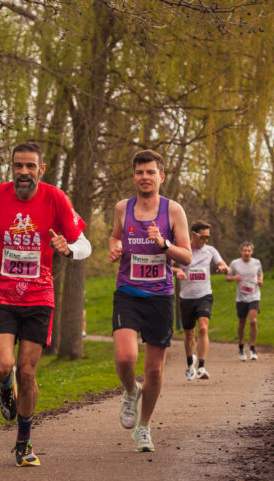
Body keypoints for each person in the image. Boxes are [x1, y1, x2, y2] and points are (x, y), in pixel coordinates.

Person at [0, 141, 91, 467]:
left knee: (28, 371)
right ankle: (6, 386)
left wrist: (68, 248)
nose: (24, 172)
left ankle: (24, 442)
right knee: (1, 366)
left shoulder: (55, 198)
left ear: (41, 169)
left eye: (30, 166)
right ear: (11, 167)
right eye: (18, 166)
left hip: (39, 298)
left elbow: (84, 244)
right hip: (2, 295)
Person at [108, 149, 191, 452]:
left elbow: (187, 255)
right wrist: (115, 247)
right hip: (128, 293)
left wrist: (164, 243)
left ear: (161, 176)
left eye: (150, 172)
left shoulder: (173, 211)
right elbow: (115, 236)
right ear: (134, 176)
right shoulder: (122, 207)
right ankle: (131, 390)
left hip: (160, 297)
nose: (145, 177)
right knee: (126, 358)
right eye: (140, 172)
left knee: (155, 370)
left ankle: (143, 427)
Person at [172, 220, 228, 380]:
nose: (206, 241)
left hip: (204, 295)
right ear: (193, 235)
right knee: (189, 333)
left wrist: (224, 267)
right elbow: (166, 266)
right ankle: (190, 363)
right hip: (186, 298)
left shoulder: (210, 250)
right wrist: (177, 271)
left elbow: (223, 264)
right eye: (203, 237)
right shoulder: (182, 250)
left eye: (207, 237)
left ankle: (202, 367)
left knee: (203, 328)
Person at [226, 241, 263, 361]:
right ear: (241, 251)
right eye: (244, 250)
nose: (246, 253)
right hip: (241, 297)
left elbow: (260, 273)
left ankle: (252, 348)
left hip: (254, 295)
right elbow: (227, 277)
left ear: (252, 252)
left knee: (253, 321)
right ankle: (241, 347)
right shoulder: (235, 263)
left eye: (249, 251)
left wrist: (260, 280)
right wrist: (233, 278)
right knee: (242, 322)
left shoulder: (256, 262)